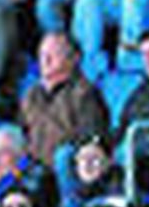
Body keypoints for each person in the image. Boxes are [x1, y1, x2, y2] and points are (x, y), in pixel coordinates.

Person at [19, 32, 109, 169]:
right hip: (32, 169)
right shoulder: (31, 94)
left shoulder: (84, 94)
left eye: (54, 54)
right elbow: (21, 131)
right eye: (42, 54)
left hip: (65, 169)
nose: (46, 60)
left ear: (73, 59)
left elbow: (90, 139)